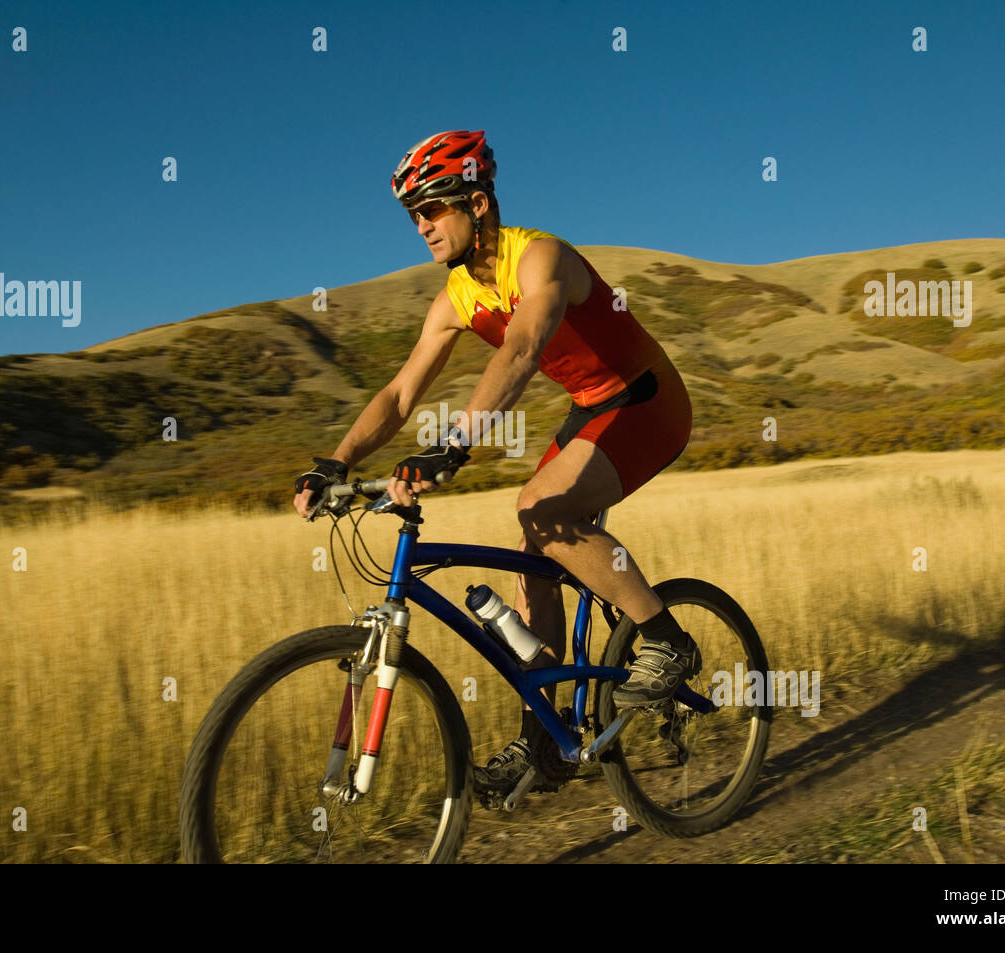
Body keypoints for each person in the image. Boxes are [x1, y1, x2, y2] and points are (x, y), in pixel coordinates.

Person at [293, 129, 700, 794]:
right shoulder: (456, 295)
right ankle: (546, 742)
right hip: (589, 408)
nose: (420, 226)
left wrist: (455, 444)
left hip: (647, 400)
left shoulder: (540, 258)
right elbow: (399, 393)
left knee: (539, 508)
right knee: (532, 563)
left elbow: (521, 349)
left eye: (431, 209)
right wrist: (333, 462)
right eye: (412, 216)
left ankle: (665, 638)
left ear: (477, 203)